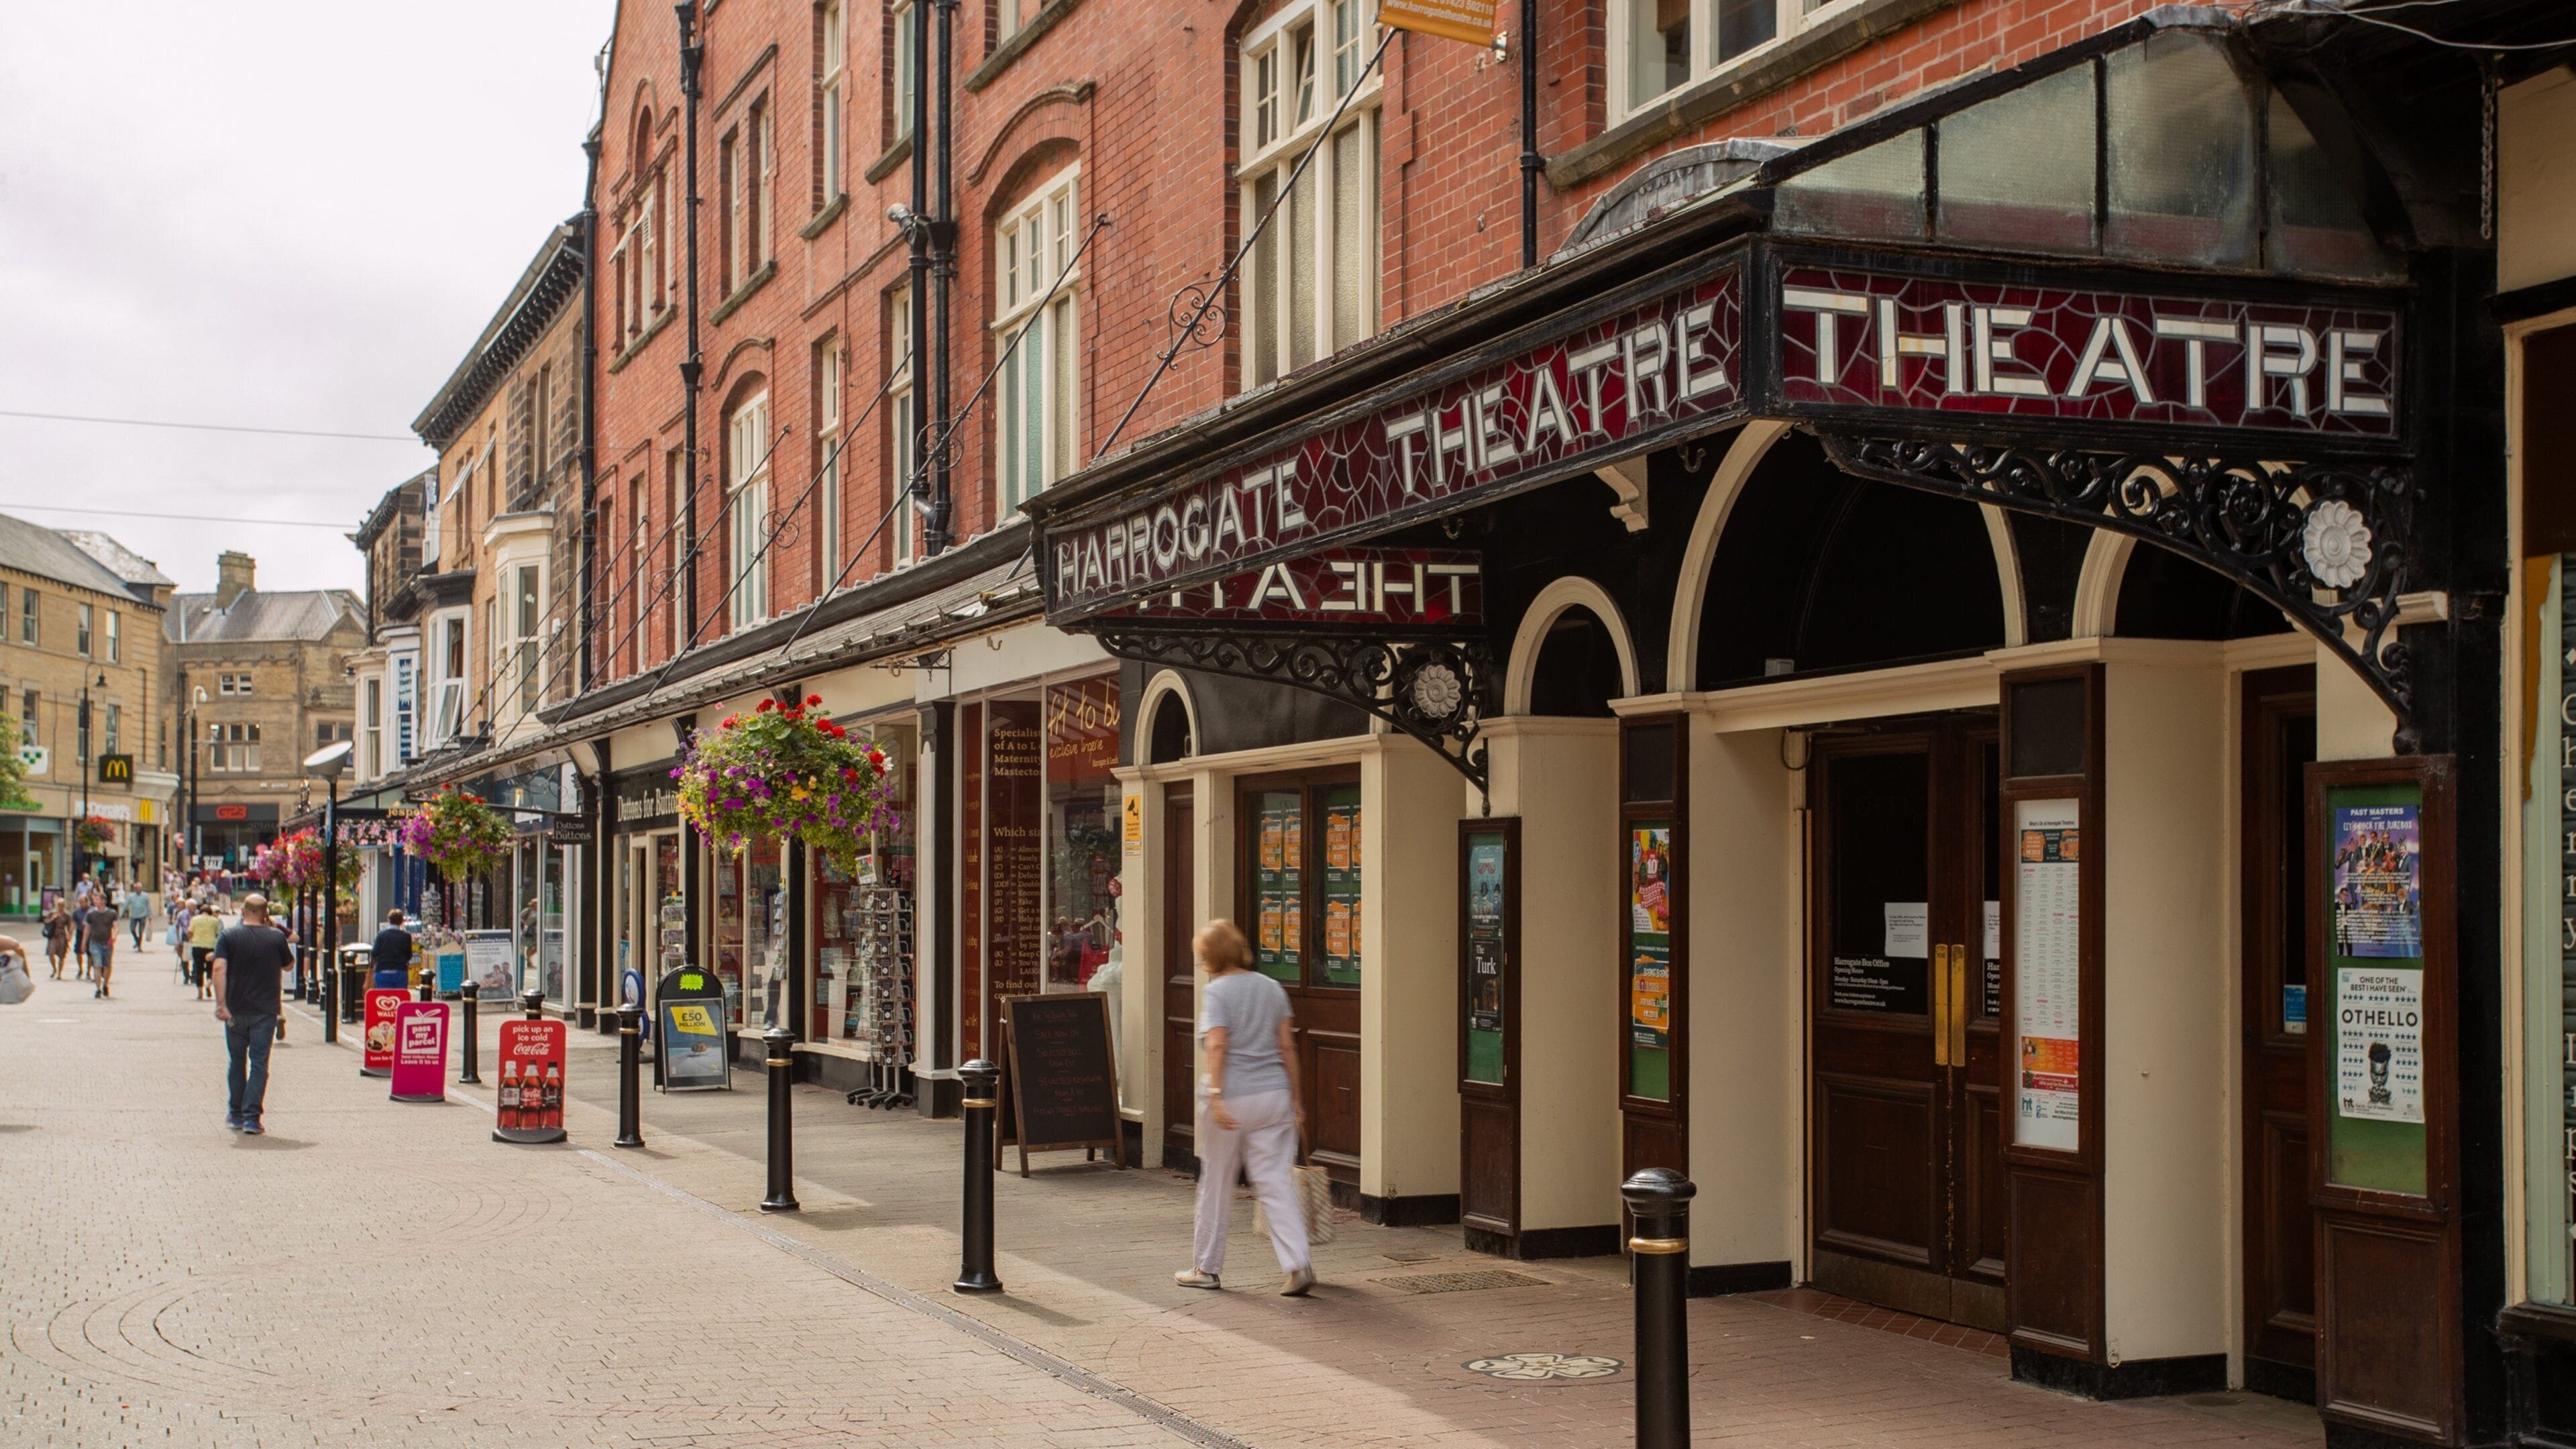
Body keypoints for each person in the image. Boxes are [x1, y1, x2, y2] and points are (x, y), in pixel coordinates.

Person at [1176, 918, 1314, 1296]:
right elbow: (1287, 1047)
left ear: (1208, 956)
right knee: (1273, 1182)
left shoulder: (1218, 992)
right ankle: (1297, 1262)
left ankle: (1206, 1267)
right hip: (1275, 1097)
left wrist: (1217, 1095)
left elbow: (1218, 1044)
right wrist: (1297, 1099)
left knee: (1216, 1183)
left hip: (1233, 1100)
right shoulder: (1272, 988)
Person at [211, 892, 292, 1134]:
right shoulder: (276, 936)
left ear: (243, 912)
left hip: (235, 1010)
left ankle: (235, 1113)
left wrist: (221, 1004)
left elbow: (218, 968)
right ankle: (252, 1117)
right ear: (265, 914)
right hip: (265, 1011)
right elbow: (289, 964)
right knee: (259, 1063)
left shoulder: (228, 936)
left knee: (236, 1061)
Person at [83, 889, 118, 998]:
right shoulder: (91, 914)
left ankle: (105, 985)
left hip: (107, 944)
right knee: (97, 966)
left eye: (97, 899)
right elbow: (87, 929)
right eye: (94, 899)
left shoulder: (112, 913)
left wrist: (114, 937)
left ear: (103, 901)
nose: (94, 901)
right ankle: (98, 989)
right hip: (95, 943)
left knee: (107, 966)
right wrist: (84, 943)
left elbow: (116, 927)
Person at [371, 908, 415, 991]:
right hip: (400, 971)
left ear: (389, 920)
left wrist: (372, 967)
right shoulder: (406, 936)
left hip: (382, 971)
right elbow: (409, 955)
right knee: (400, 999)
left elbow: (374, 952)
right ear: (402, 921)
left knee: (383, 999)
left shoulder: (381, 935)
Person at [188, 901, 223, 1000]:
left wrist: (192, 938)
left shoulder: (195, 919)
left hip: (197, 946)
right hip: (210, 947)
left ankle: (200, 992)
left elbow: (190, 933)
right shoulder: (215, 920)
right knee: (210, 968)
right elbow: (217, 934)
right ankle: (208, 985)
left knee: (199, 969)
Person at [41, 899, 71, 980]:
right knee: (51, 953)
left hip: (62, 936)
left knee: (62, 955)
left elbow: (69, 926)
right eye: (59, 905)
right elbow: (46, 922)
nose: (61, 907)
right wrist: (53, 918)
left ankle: (60, 973)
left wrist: (69, 935)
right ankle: (54, 969)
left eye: (62, 905)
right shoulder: (52, 913)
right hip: (53, 935)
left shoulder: (67, 915)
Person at [123, 884, 151, 949]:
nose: (139, 890)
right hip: (134, 916)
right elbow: (126, 905)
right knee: (132, 929)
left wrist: (150, 917)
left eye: (140, 889)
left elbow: (148, 907)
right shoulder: (131, 896)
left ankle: (139, 946)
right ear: (135, 889)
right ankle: (137, 940)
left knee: (141, 932)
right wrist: (120, 914)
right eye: (137, 889)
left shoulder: (145, 896)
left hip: (143, 916)